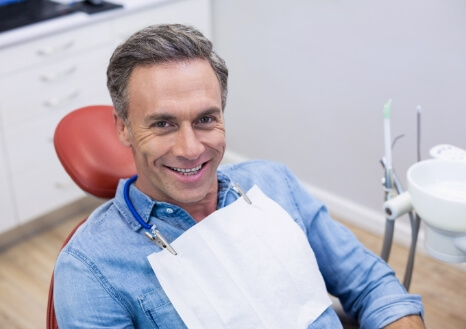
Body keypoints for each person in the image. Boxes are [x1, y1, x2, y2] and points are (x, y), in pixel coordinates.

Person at [53, 24, 425, 329]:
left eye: (205, 120)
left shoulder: (274, 183)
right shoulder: (91, 269)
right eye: (163, 123)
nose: (191, 148)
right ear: (123, 129)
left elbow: (373, 284)